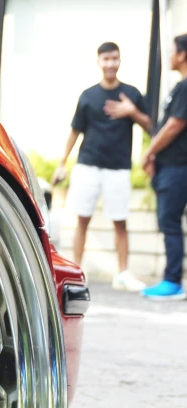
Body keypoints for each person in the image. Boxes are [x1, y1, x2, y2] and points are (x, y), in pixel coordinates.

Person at [52, 42, 152, 291]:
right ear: (99, 62)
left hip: (118, 167)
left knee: (120, 221)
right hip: (88, 165)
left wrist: (132, 111)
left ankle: (122, 274)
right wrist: (62, 163)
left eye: (115, 58)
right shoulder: (88, 95)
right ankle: (76, 271)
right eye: (106, 59)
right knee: (82, 220)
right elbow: (75, 131)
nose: (110, 63)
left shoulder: (132, 94)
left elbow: (151, 126)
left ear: (120, 61)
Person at [141, 34, 187, 300]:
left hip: (177, 168)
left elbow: (174, 126)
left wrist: (149, 152)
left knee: (169, 222)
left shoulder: (184, 88)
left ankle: (172, 282)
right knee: (168, 221)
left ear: (182, 55)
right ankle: (171, 280)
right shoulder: (178, 87)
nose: (169, 56)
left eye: (172, 51)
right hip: (171, 167)